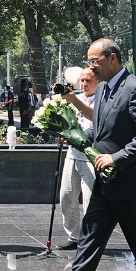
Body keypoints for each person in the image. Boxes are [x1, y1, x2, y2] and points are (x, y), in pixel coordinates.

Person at [39, 39, 136, 271]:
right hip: (107, 180)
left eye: (95, 61)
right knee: (91, 232)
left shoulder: (135, 88)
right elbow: (102, 132)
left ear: (113, 59)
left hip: (132, 182)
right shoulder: (102, 89)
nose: (91, 66)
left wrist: (116, 158)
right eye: (89, 61)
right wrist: (77, 137)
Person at [56, 67, 98, 250]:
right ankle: (74, 236)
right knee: (66, 197)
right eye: (82, 80)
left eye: (88, 80)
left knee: (90, 201)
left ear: (98, 81)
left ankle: (91, 238)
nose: (84, 84)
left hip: (90, 156)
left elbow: (95, 121)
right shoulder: (75, 98)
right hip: (72, 154)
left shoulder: (102, 100)